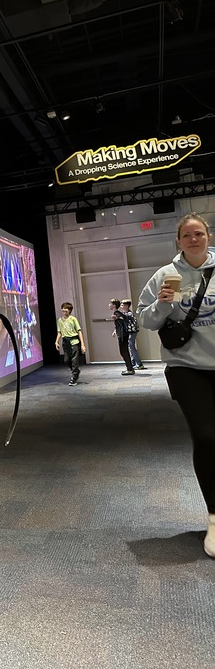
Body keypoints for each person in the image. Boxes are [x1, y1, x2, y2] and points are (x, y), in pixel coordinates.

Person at [137, 213, 215, 558]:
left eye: (199, 233)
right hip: (187, 367)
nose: (194, 239)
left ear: (208, 237)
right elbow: (146, 319)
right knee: (207, 437)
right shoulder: (167, 276)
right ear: (178, 241)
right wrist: (163, 302)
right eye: (187, 235)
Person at [55, 303, 86, 386]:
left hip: (74, 341)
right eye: (63, 308)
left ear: (70, 310)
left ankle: (74, 378)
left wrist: (82, 345)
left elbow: (79, 331)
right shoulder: (60, 320)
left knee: (74, 360)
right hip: (65, 342)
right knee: (66, 360)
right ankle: (76, 371)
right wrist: (56, 341)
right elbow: (59, 332)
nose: (64, 310)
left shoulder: (73, 319)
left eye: (66, 309)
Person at [109, 298, 136, 375]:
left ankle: (130, 369)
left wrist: (117, 318)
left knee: (124, 351)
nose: (109, 305)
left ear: (114, 305)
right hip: (122, 334)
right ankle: (129, 368)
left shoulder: (117, 313)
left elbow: (124, 320)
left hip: (123, 334)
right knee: (123, 351)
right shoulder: (116, 313)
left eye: (110, 304)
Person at [121, 299, 146, 370]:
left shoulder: (129, 314)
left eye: (122, 305)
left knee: (132, 347)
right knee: (130, 347)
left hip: (133, 331)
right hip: (130, 331)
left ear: (126, 306)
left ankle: (139, 364)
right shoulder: (126, 314)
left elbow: (124, 316)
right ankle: (134, 363)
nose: (121, 306)